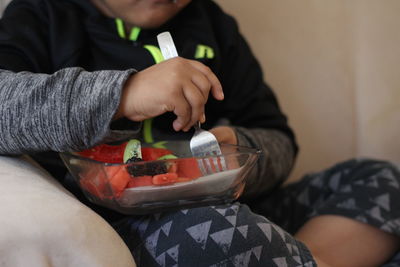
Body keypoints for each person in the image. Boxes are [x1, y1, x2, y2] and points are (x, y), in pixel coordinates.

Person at [0, 0, 399, 266]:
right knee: (221, 233)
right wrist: (122, 96)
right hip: (128, 227)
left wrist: (239, 151)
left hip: (247, 210)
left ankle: (308, 258)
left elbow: (277, 137)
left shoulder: (211, 23)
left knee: (380, 179)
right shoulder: (43, 14)